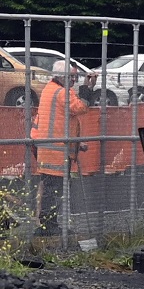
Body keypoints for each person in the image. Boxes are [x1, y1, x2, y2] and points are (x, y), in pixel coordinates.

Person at [30, 61, 89, 234]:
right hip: (55, 152)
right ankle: (48, 227)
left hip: (50, 149)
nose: (74, 81)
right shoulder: (62, 93)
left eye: (75, 77)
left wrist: (78, 143)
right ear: (62, 76)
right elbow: (80, 107)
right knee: (53, 191)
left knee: (52, 190)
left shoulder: (51, 89)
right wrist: (87, 89)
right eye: (72, 77)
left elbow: (60, 123)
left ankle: (48, 225)